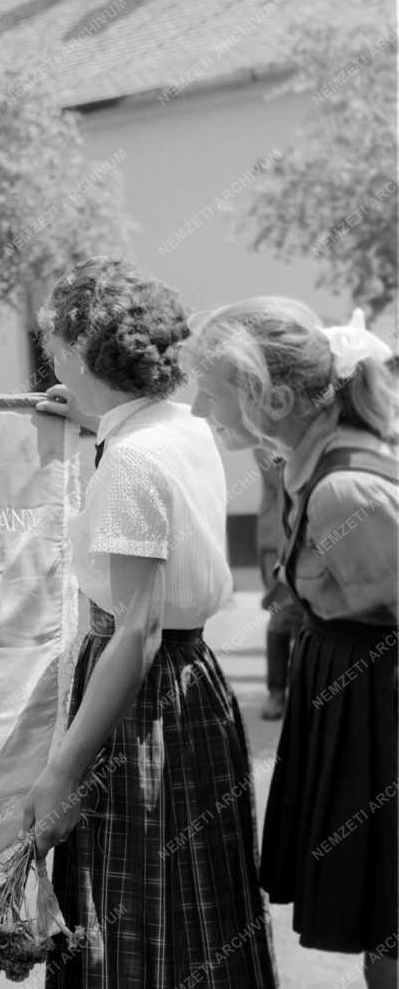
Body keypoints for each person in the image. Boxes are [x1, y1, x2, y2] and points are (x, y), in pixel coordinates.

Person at [26, 257, 276, 988]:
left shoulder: (131, 462)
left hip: (138, 700)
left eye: (53, 344)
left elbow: (133, 633)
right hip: (194, 683)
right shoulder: (184, 430)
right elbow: (139, 439)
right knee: (200, 915)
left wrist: (61, 772)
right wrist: (90, 420)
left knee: (136, 920)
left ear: (76, 349)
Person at [185, 300, 397, 989]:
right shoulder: (310, 462)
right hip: (360, 702)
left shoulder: (344, 489)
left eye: (210, 392)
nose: (195, 410)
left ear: (269, 399)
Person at [255, 451, 304, 720]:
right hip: (276, 543)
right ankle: (277, 692)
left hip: (308, 539)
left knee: (307, 621)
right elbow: (283, 478)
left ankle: (302, 692)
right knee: (281, 616)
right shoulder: (268, 440)